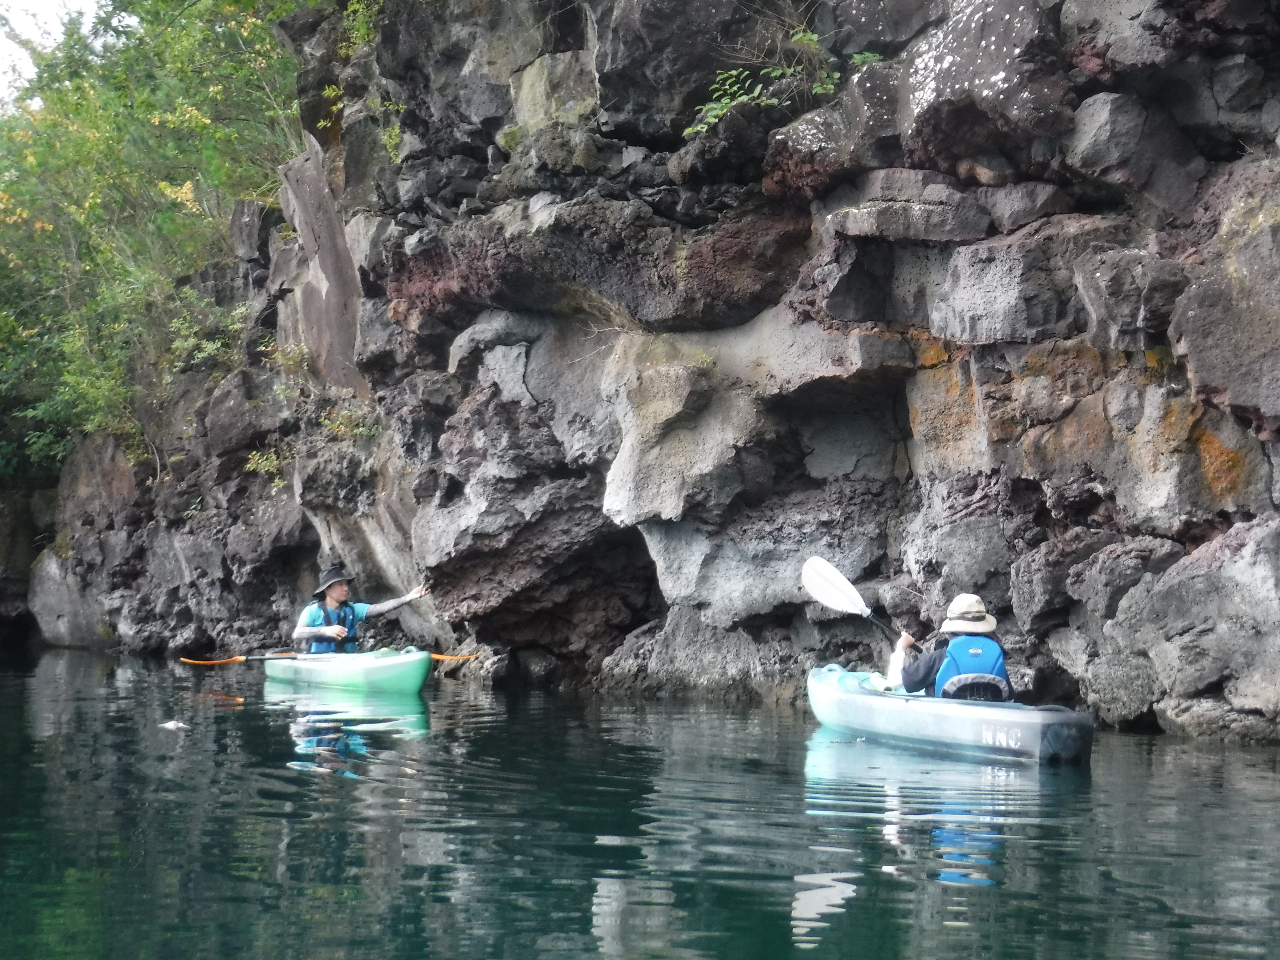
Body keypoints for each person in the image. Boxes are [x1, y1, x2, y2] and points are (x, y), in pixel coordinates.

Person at [886, 593, 1012, 701]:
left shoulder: (942, 656)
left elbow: (892, 682)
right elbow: (1010, 697)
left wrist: (900, 647)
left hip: (945, 725)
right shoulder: (995, 656)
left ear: (952, 629)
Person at [293, 564, 429, 653]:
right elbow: (297, 633)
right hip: (318, 663)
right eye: (340, 584)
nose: (346, 588)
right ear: (327, 589)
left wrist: (408, 597)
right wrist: (324, 630)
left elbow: (380, 608)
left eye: (346, 584)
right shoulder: (312, 611)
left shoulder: (352, 609)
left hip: (348, 661)